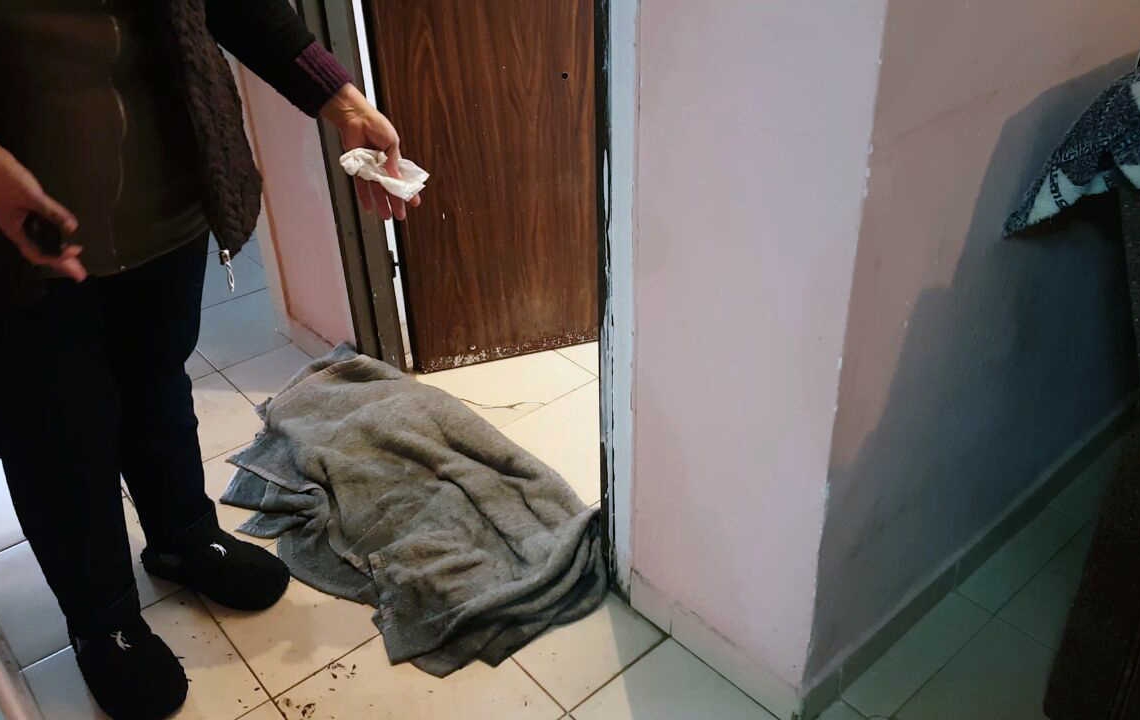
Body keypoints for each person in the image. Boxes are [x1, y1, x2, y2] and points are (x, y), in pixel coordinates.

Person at [0, 3, 420, 719]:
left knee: (159, 383)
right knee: (55, 430)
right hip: (19, 236)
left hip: (169, 194)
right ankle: (102, 618)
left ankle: (183, 539)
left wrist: (342, 100)